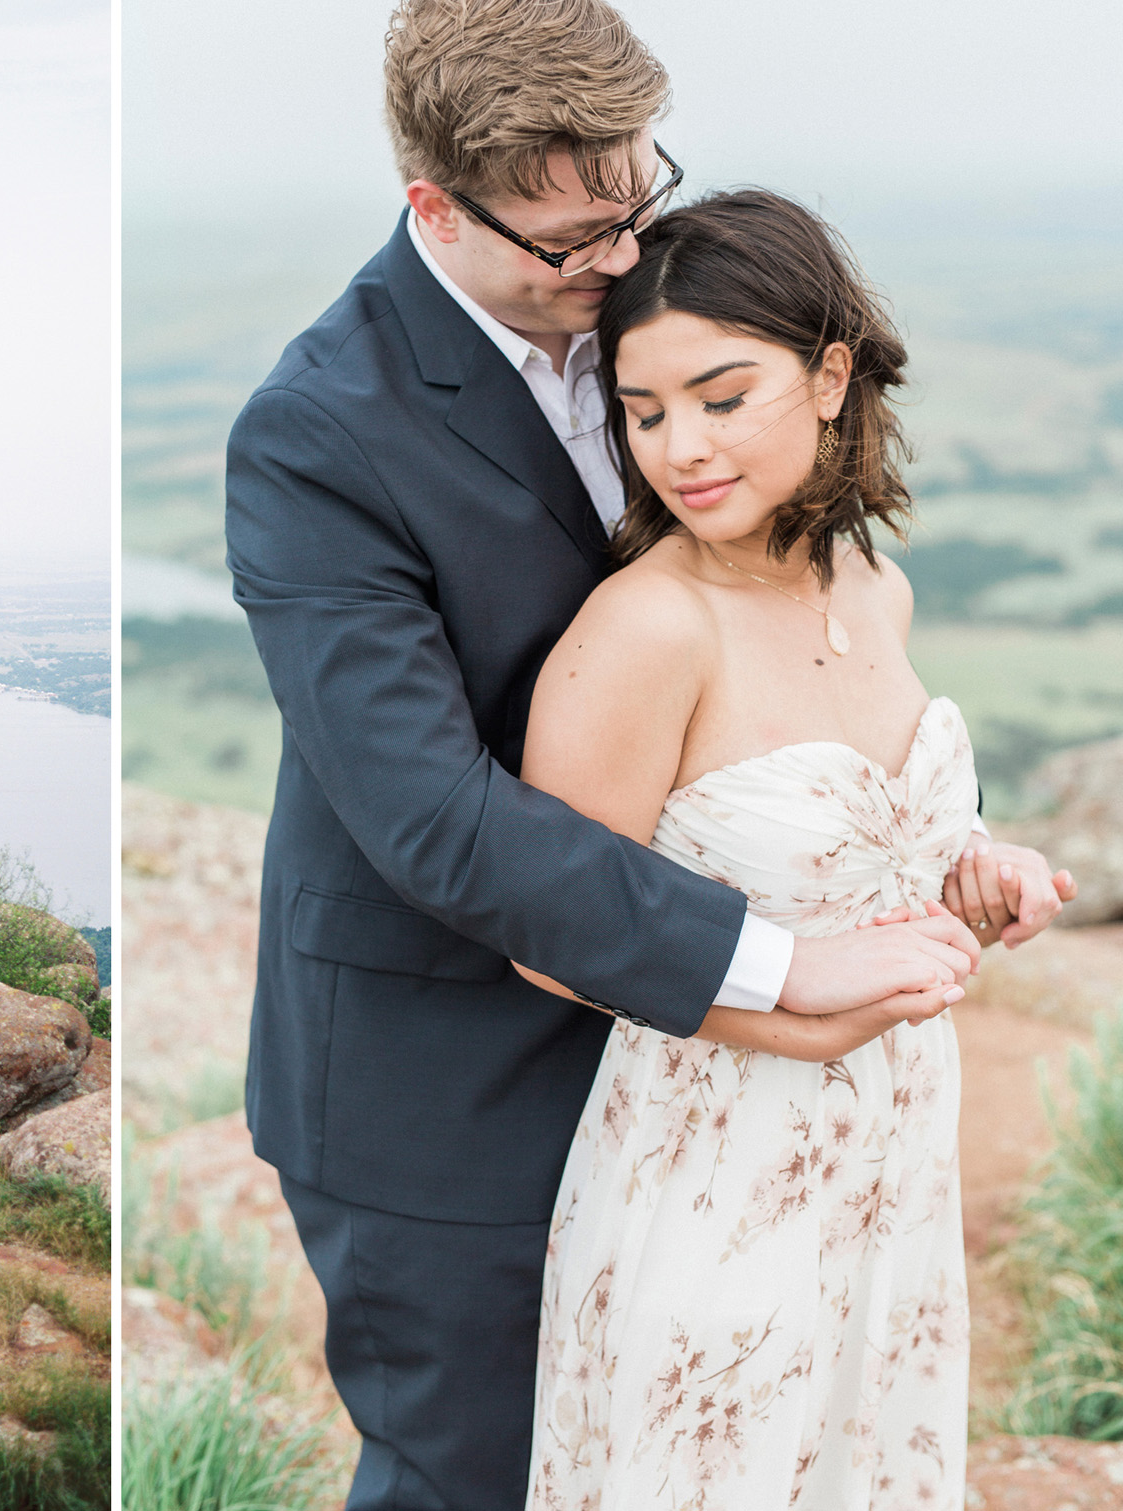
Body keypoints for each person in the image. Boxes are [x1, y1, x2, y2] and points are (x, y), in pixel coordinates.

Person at [221, 2, 1072, 1505]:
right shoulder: (315, 434)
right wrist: (773, 967)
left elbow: (782, 661)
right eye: (574, 243)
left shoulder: (659, 318)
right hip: (451, 1086)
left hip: (724, 1114)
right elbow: (430, 818)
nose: (621, 264)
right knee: (481, 1479)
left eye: (640, 206)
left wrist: (930, 852)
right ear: (437, 210)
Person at [517, 188, 988, 1508]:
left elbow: (863, 856)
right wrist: (798, 1027)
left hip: (898, 1165)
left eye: (723, 397)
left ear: (830, 375)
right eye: (645, 409)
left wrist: (976, 874)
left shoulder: (876, 588)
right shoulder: (646, 631)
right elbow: (552, 943)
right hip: (716, 1178)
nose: (681, 447)